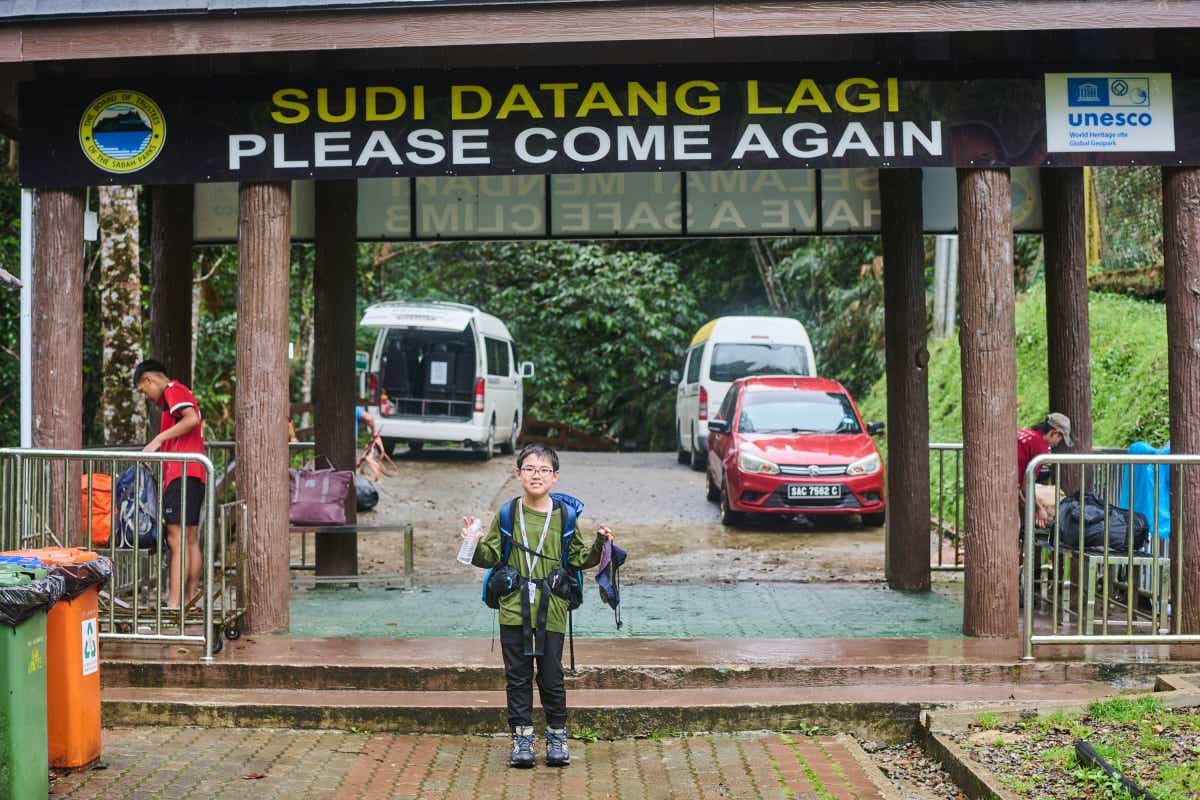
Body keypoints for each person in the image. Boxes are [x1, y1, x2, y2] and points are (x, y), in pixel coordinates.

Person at [459, 443, 613, 769]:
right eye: (529, 469)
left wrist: (601, 542)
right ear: (518, 474)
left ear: (556, 477)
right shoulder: (507, 513)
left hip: (552, 607)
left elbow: (578, 558)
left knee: (551, 675)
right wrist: (471, 539)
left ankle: (557, 735)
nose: (536, 475)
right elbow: (489, 556)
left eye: (544, 470)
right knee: (517, 675)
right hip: (513, 606)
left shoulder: (565, 516)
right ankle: (522, 738)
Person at [133, 359, 206, 610]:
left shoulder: (173, 390)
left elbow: (192, 418)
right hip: (194, 473)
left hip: (182, 473)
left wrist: (157, 440)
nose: (148, 397)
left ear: (148, 380)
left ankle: (174, 604)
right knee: (190, 539)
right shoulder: (180, 392)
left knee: (176, 539)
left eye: (144, 391)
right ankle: (189, 599)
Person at [1017, 412, 1073, 527]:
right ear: (1054, 432)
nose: (1057, 443)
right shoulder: (1039, 446)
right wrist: (1039, 509)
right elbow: (1026, 486)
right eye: (1060, 438)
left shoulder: (1026, 433)